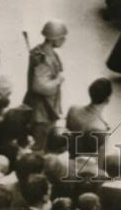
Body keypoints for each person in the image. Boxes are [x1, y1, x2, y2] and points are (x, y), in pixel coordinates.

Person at [23, 21, 67, 151]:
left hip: (45, 107)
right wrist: (58, 81)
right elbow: (39, 87)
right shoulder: (44, 59)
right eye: (62, 37)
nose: (64, 40)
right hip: (42, 112)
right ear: (54, 39)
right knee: (40, 147)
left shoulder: (41, 51)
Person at [65, 77, 112, 162]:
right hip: (86, 167)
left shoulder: (72, 110)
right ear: (107, 100)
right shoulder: (100, 130)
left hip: (71, 159)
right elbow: (100, 161)